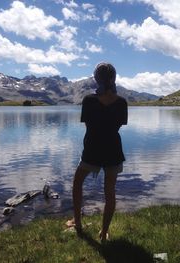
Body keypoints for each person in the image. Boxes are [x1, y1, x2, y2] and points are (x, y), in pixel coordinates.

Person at [66, 62, 128, 242]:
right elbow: (117, 126)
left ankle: (77, 223)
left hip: (92, 149)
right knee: (110, 191)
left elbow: (89, 126)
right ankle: (104, 232)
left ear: (97, 79)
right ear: (114, 78)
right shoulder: (122, 102)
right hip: (113, 151)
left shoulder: (89, 100)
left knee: (77, 183)